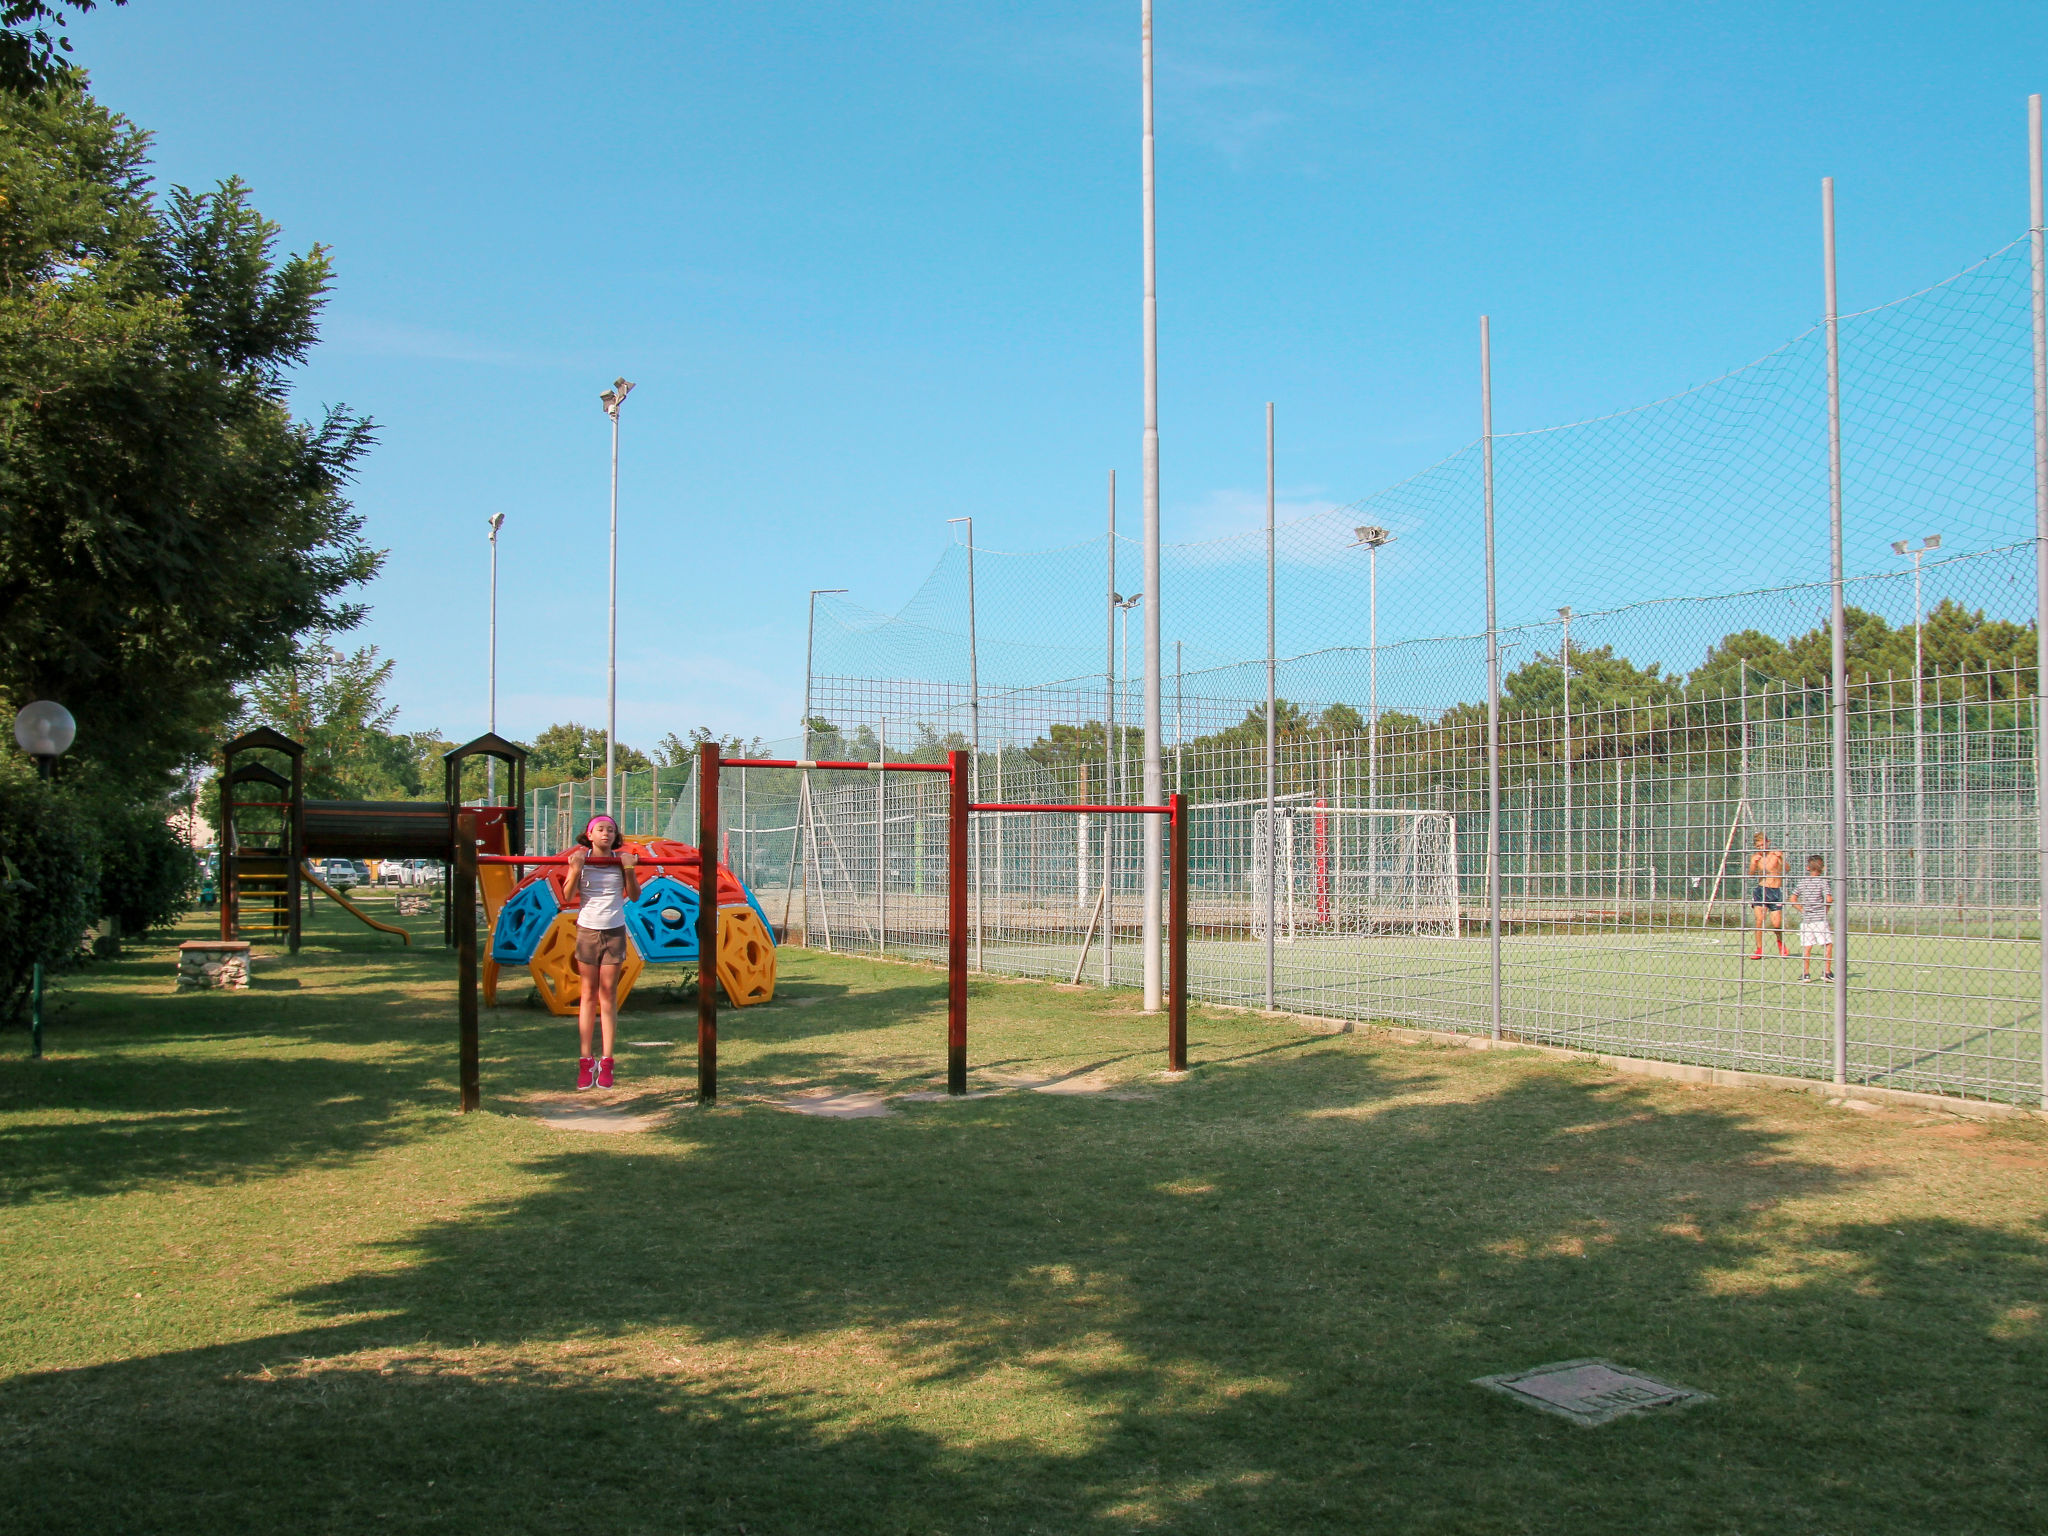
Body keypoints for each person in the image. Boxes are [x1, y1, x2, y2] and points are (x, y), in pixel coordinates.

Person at [565, 814, 640, 1089]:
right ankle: (586, 1060)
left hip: (614, 931)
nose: (606, 833)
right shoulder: (581, 860)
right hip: (588, 932)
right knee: (587, 995)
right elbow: (566, 895)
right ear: (590, 835)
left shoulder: (620, 862)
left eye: (611, 829)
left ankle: (607, 1060)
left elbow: (634, 896)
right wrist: (574, 869)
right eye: (601, 829)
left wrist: (629, 869)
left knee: (608, 995)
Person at [1790, 854, 1834, 982]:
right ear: (1823, 868)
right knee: (1827, 944)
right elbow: (1829, 899)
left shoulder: (1803, 882)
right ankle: (1826, 972)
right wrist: (1826, 909)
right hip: (1820, 919)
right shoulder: (1823, 881)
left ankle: (1805, 974)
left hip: (1807, 920)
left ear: (1807, 868)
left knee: (1807, 946)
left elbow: (1793, 899)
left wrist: (1802, 910)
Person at [1747, 831, 1787, 959]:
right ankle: (1759, 949)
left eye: (1762, 845)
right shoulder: (1756, 857)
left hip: (1775, 891)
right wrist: (1753, 864)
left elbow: (1787, 869)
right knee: (1759, 921)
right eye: (1758, 846)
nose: (1761, 848)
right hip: (1761, 890)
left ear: (1768, 843)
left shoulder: (1775, 855)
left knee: (1776, 924)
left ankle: (1780, 942)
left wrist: (1781, 858)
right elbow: (1751, 874)